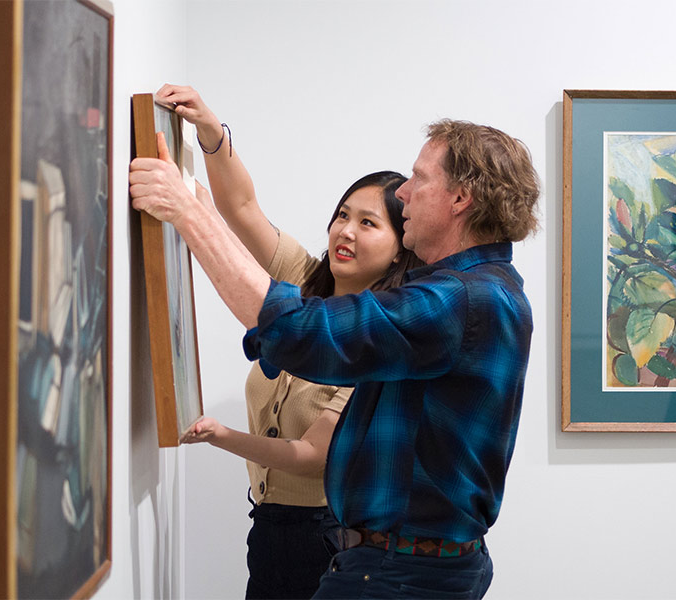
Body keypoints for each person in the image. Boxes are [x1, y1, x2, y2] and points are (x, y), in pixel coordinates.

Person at [130, 112, 540, 598]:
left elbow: (295, 332)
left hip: (399, 574)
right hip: (389, 565)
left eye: (419, 178)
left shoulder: (462, 301)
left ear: (460, 198)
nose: (404, 192)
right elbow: (246, 218)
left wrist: (189, 215)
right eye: (345, 215)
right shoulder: (468, 292)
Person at [150, 86, 424, 598]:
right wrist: (211, 130)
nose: (346, 230)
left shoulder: (382, 340)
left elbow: (311, 455)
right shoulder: (304, 278)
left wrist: (222, 436)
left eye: (368, 223)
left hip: (325, 538)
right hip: (268, 527)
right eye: (343, 214)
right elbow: (243, 206)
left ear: (397, 251)